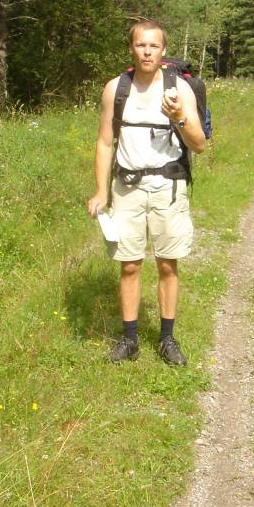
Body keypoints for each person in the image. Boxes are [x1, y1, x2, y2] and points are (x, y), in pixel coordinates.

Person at [87, 20, 206, 365]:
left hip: (168, 186)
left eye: (154, 46)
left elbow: (199, 144)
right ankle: (130, 340)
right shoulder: (116, 89)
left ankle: (167, 339)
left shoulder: (179, 90)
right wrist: (100, 191)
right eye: (141, 45)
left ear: (163, 50)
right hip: (127, 188)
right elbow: (104, 142)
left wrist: (179, 116)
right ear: (131, 49)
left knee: (168, 264)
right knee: (129, 265)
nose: (147, 52)